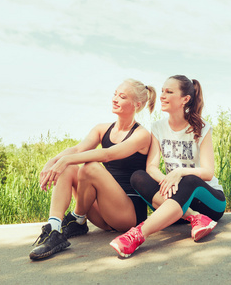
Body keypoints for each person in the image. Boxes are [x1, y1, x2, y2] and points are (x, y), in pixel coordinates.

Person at [29, 78, 156, 260]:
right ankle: (55, 229)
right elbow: (77, 149)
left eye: (122, 96)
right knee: (69, 167)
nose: (115, 99)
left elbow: (108, 154)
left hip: (128, 215)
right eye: (115, 94)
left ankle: (77, 217)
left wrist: (65, 160)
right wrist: (53, 161)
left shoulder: (142, 135)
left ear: (137, 104)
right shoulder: (102, 129)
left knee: (91, 168)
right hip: (103, 214)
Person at [110, 75, 226, 258]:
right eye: (162, 91)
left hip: (210, 202)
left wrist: (178, 173)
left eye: (169, 92)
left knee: (189, 180)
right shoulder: (158, 127)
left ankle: (137, 235)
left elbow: (208, 172)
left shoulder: (202, 128)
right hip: (174, 201)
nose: (162, 96)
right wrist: (167, 180)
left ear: (185, 99)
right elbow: (151, 168)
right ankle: (194, 217)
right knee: (138, 176)